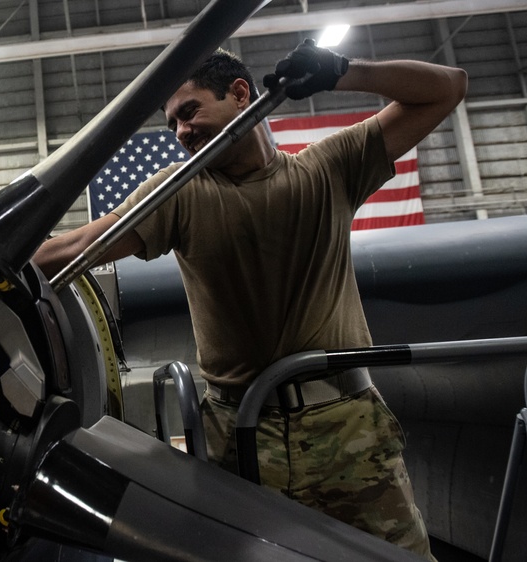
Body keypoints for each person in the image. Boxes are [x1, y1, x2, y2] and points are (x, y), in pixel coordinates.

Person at [35, 41, 467, 560]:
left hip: (347, 428)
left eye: (189, 111)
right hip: (240, 438)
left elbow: (447, 88)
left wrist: (343, 72)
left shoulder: (328, 169)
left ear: (241, 94)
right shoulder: (180, 193)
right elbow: (76, 248)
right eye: (172, 123)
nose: (180, 133)